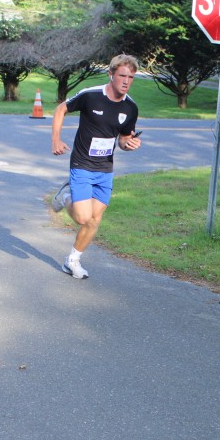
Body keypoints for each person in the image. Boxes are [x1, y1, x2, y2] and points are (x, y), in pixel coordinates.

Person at [50, 54, 142, 279]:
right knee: (83, 217)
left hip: (105, 169)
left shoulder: (131, 107)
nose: (126, 81)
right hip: (82, 163)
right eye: (122, 75)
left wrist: (129, 144)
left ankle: (73, 261)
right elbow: (61, 109)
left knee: (94, 219)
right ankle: (65, 196)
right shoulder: (91, 96)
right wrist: (56, 140)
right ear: (111, 74)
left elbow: (123, 139)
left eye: (131, 77)